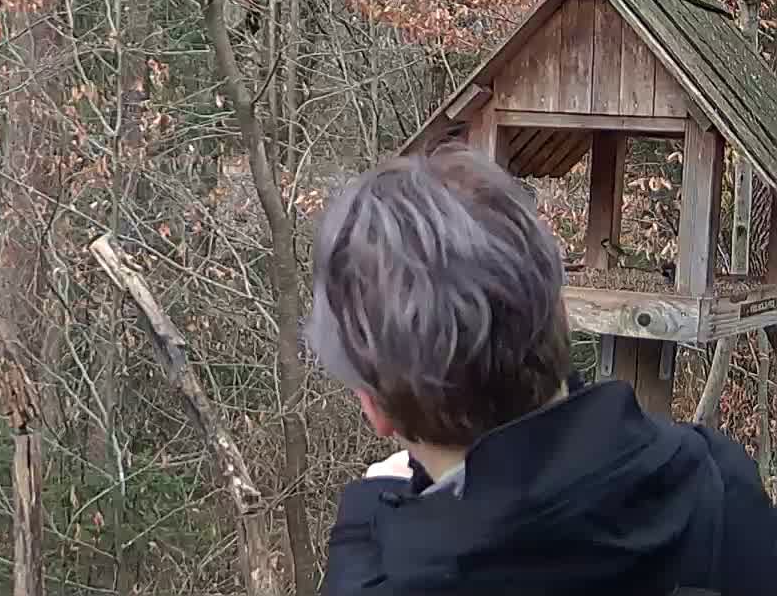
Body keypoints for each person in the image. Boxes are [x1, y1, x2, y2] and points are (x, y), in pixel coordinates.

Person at [306, 145, 777, 595]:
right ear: (563, 314)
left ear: (373, 405)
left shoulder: (376, 574)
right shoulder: (717, 488)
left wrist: (368, 522)